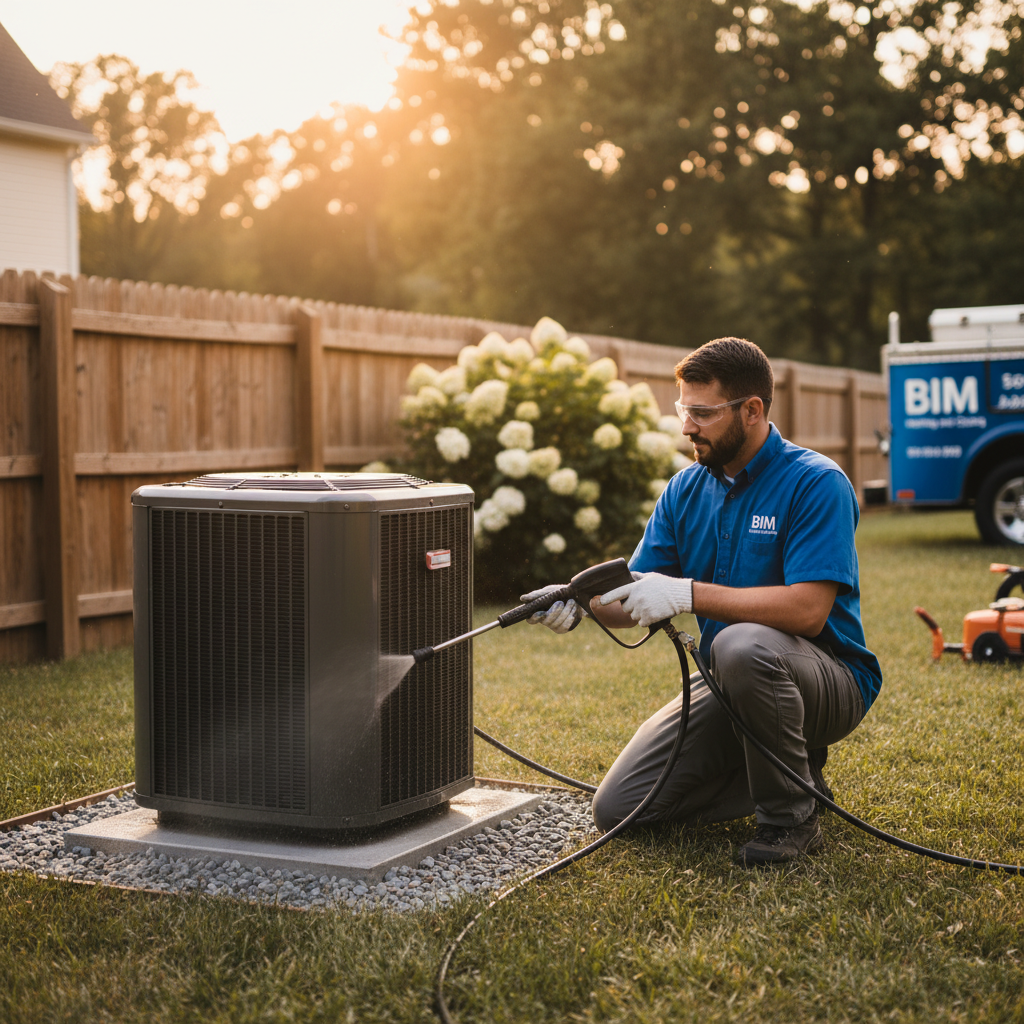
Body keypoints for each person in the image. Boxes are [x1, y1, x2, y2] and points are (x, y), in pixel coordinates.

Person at [523, 337, 882, 866]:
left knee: (740, 645)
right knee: (619, 808)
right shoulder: (684, 490)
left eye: (702, 413)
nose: (687, 426)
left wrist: (687, 593)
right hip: (734, 677)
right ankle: (799, 773)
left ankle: (790, 818)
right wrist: (581, 603)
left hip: (829, 680)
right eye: (683, 410)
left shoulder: (816, 484)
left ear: (753, 410)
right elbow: (634, 592)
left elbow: (808, 611)